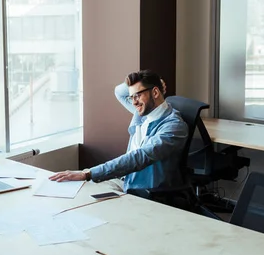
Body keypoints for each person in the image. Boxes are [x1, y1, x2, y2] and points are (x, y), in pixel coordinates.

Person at [49, 69, 188, 192]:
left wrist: (88, 173)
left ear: (155, 92)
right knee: (78, 191)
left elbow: (139, 157)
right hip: (124, 181)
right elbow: (119, 91)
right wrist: (142, 84)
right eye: (131, 97)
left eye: (137, 95)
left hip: (143, 191)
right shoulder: (141, 112)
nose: (134, 102)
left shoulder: (173, 126)